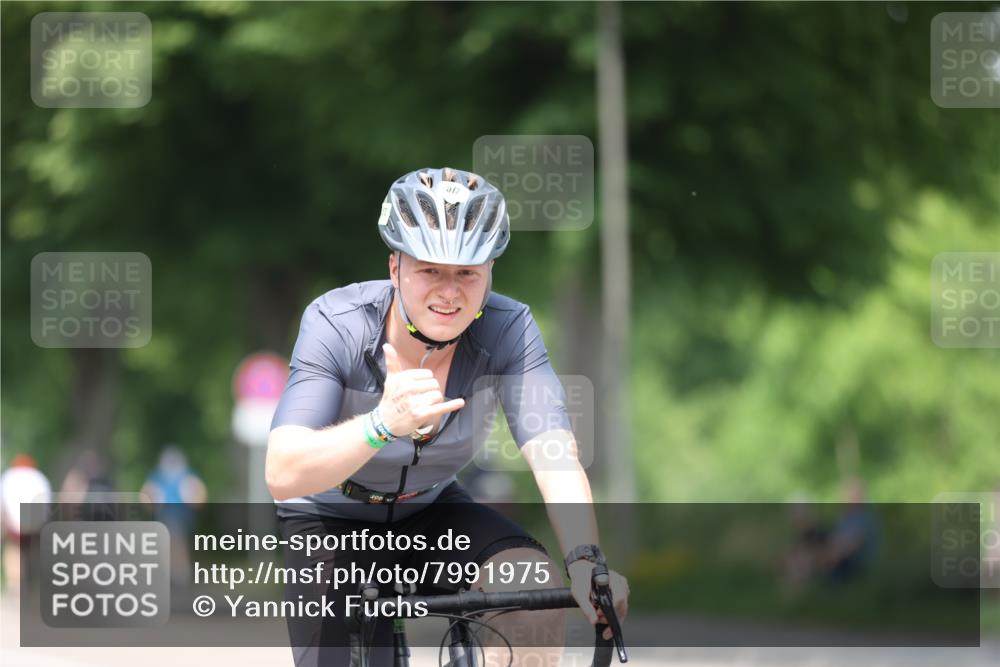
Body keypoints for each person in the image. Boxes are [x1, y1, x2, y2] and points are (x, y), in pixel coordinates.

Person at [266, 167, 629, 667]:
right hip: (330, 518)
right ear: (394, 268)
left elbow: (554, 456)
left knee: (532, 588)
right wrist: (381, 424)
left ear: (489, 274)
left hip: (431, 509)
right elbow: (283, 473)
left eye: (467, 273)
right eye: (430, 269)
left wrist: (586, 561)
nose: (449, 292)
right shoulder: (336, 323)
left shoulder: (509, 329)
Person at [142, 446, 207, 586]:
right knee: (173, 541)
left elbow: (199, 493)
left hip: (181, 513)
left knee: (176, 540)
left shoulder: (186, 475)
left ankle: (179, 572)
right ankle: (177, 572)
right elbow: (147, 493)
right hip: (166, 512)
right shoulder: (159, 475)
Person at [1, 454, 52, 593]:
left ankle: (15, 584)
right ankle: (34, 582)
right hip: (36, 520)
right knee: (33, 549)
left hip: (15, 521)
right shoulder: (40, 477)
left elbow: (3, 504)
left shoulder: (8, 477)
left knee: (13, 548)